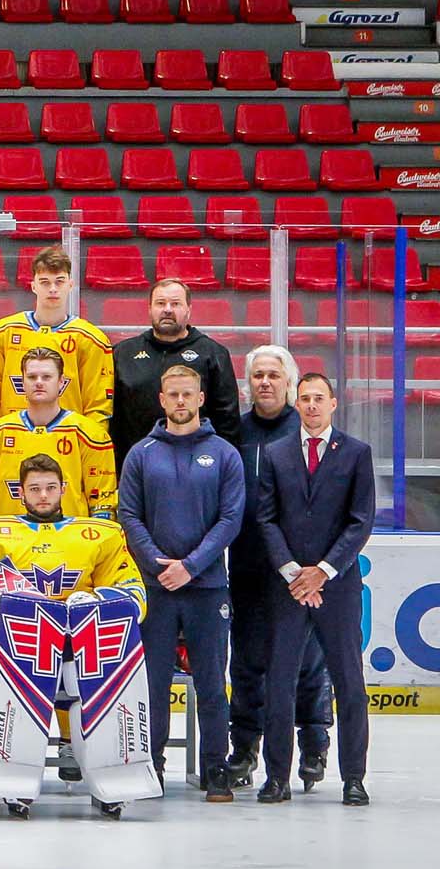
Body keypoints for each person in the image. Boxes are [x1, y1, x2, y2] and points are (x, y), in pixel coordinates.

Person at [0, 454, 146, 817]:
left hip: (83, 640)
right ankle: (12, 780)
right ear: (20, 493)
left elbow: (132, 588)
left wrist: (99, 601)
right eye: (34, 489)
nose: (43, 496)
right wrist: (7, 604)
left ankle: (113, 779)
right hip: (23, 641)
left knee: (102, 670)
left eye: (50, 487)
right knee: (18, 675)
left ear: (64, 489)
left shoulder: (100, 534)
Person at [117, 366, 245, 800]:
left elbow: (230, 519)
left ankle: (216, 768)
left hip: (207, 588)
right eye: (172, 394)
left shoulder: (225, 455)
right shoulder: (142, 454)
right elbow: (129, 515)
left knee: (211, 683)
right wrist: (158, 566)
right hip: (156, 590)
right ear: (161, 399)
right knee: (152, 684)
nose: (180, 401)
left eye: (187, 394)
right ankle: (151, 765)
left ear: (201, 398)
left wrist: (190, 566)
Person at [253, 374, 375, 805]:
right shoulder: (276, 453)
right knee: (279, 682)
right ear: (296, 403)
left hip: (336, 587)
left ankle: (354, 778)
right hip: (287, 587)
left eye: (318, 398)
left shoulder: (356, 453)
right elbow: (266, 517)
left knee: (349, 682)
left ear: (333, 403)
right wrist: (293, 572)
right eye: (304, 398)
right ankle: (276, 777)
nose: (311, 405)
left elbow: (360, 521)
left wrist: (322, 571)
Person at [227, 344, 332, 787]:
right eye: (258, 375)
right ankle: (244, 747)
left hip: (298, 567)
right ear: (248, 384)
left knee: (307, 660)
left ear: (289, 382)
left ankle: (314, 745)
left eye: (274, 375)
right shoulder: (236, 432)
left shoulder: (304, 430)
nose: (265, 382)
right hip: (248, 562)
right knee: (247, 660)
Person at [109, 277, 241, 470]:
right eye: (160, 303)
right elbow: (113, 419)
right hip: (136, 468)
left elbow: (227, 421)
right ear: (149, 309)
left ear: (188, 309)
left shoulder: (213, 354)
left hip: (197, 469)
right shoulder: (123, 354)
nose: (167, 309)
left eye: (176, 303)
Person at [0, 347, 117, 519]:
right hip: (9, 535)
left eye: (47, 377)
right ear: (22, 382)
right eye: (32, 377)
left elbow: (102, 506)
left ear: (61, 382)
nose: (39, 382)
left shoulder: (91, 435)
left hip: (71, 535)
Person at [0, 244, 114, 424]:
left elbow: (98, 408)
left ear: (70, 285)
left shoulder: (91, 339)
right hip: (13, 437)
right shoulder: (2, 333)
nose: (52, 288)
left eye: (59, 281)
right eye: (45, 282)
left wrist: (87, 439)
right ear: (33, 286)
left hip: (67, 437)